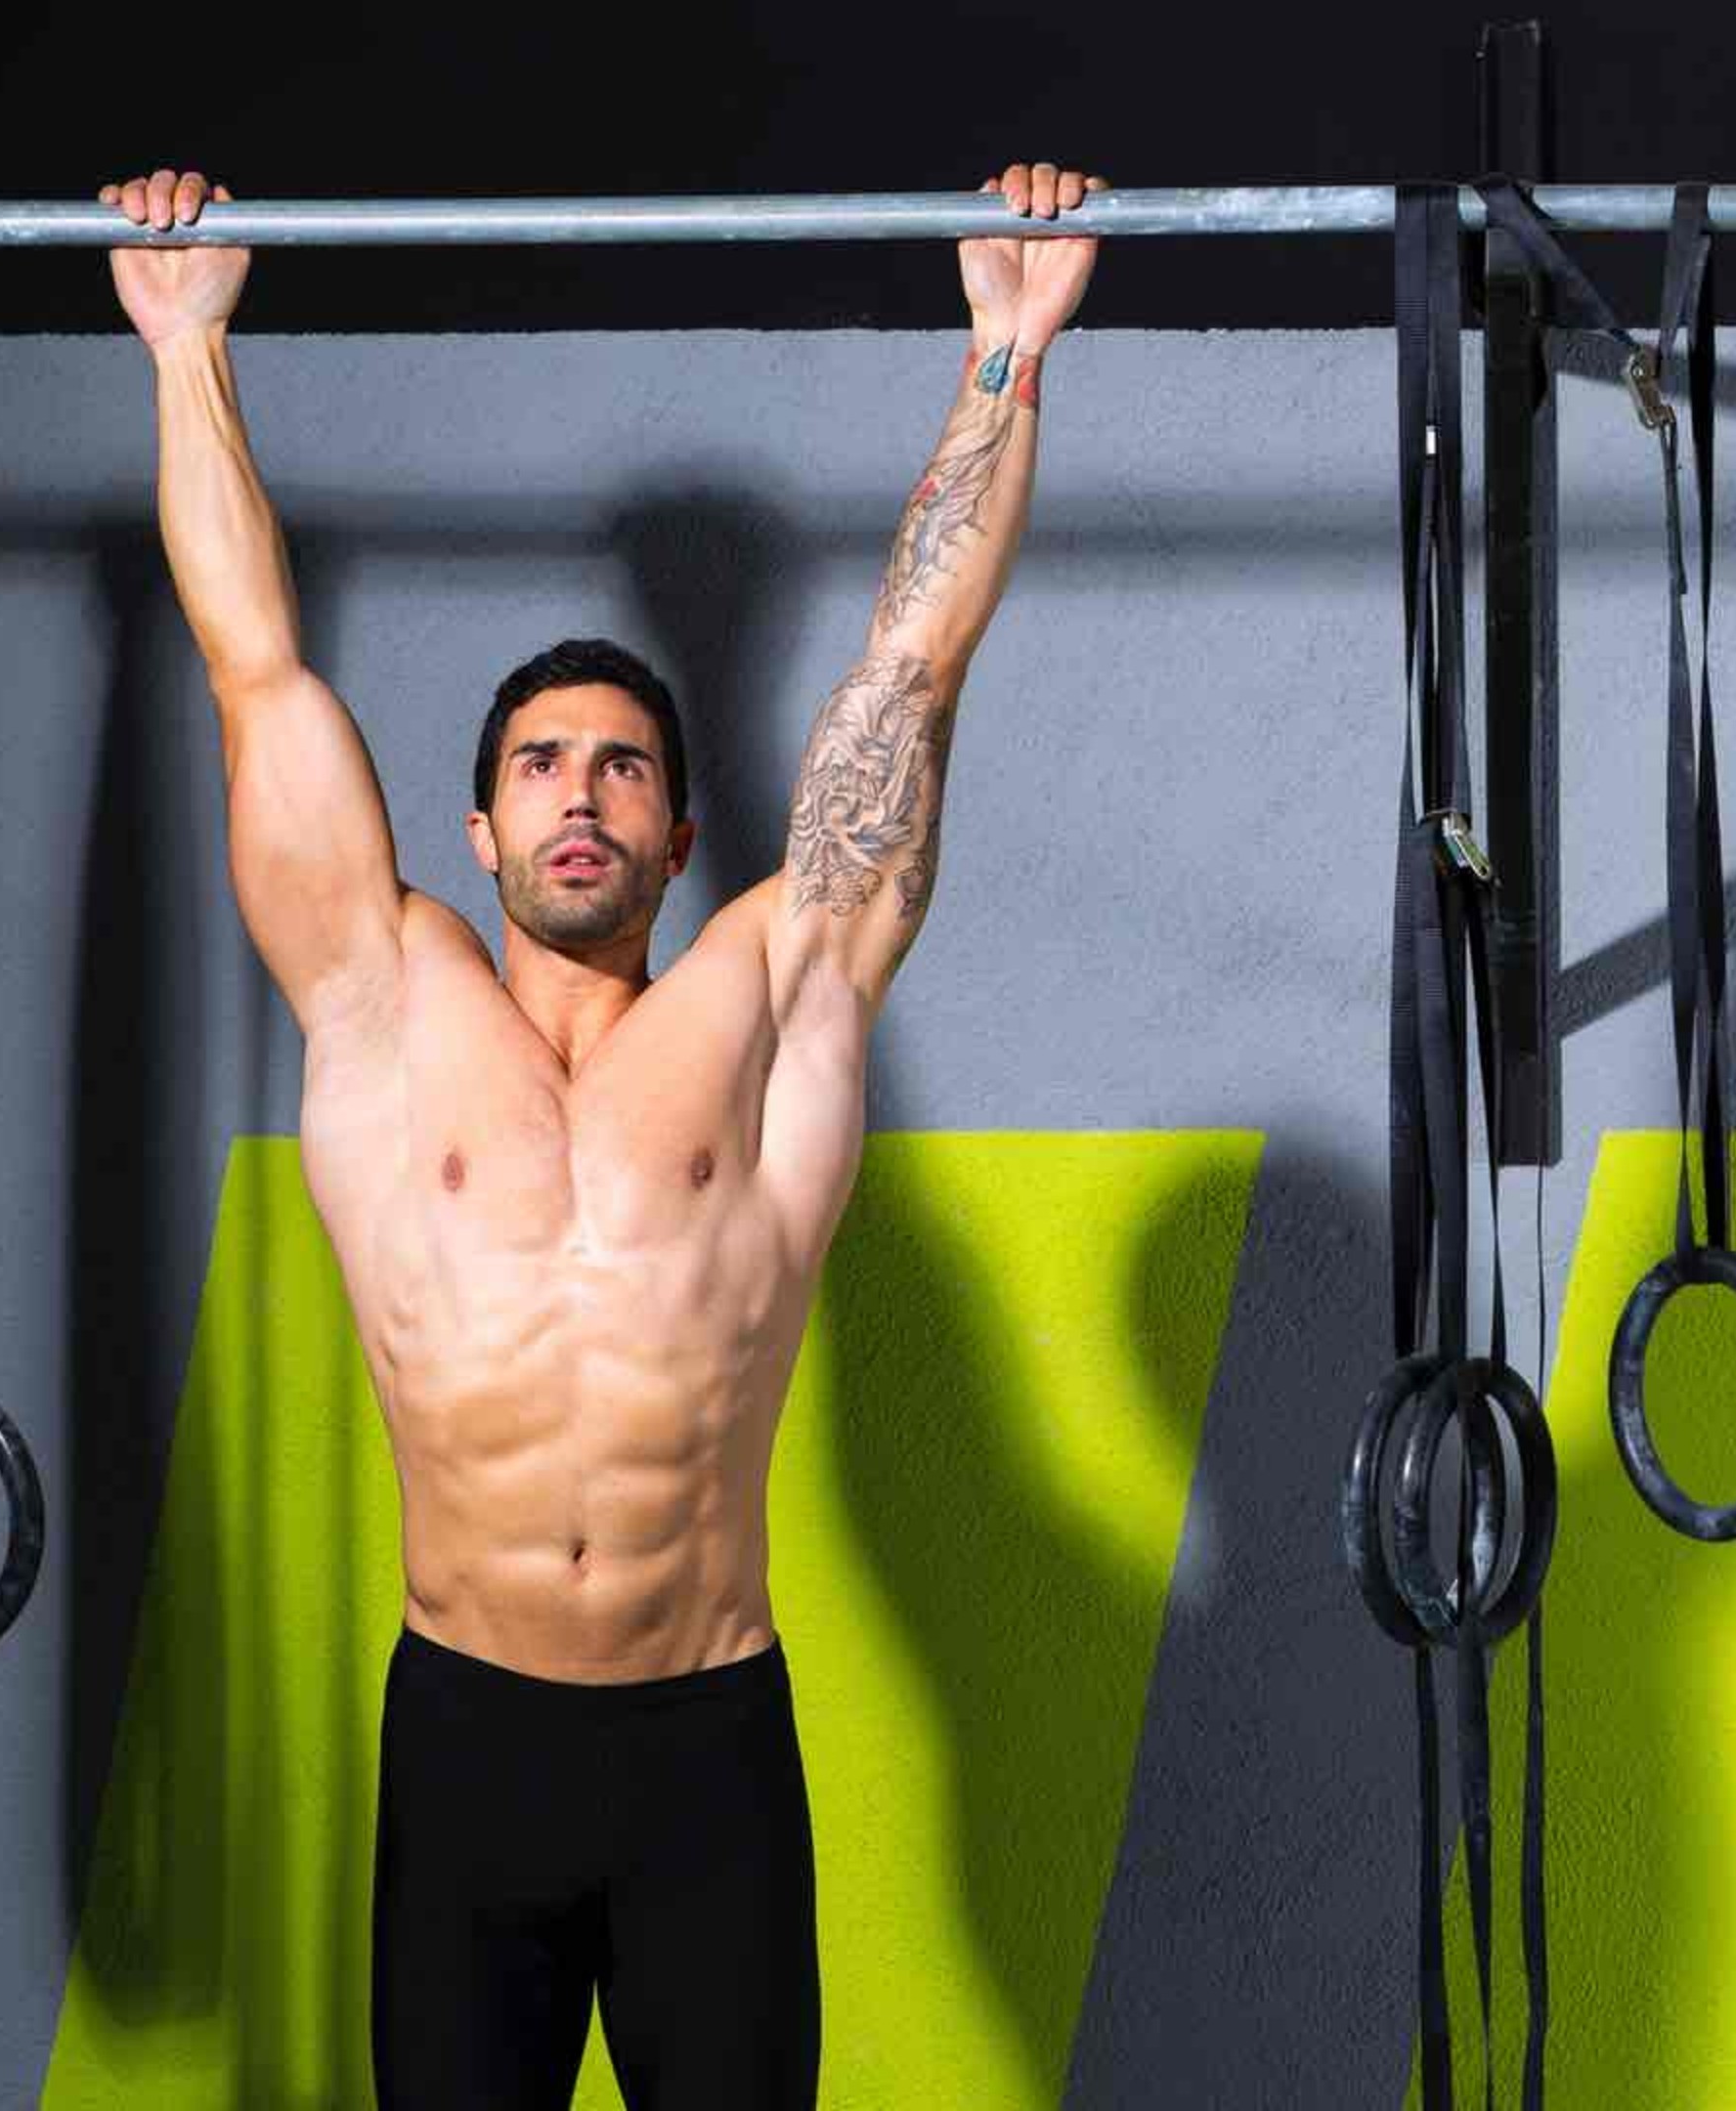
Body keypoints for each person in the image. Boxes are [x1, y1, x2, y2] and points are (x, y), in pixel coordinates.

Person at [103, 155, 1106, 2109]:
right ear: (475, 828)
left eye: (623, 766)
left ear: (678, 828)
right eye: (540, 766)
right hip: (467, 1741)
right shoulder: (381, 999)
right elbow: (256, 670)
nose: (580, 796)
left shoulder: (765, 1003)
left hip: (703, 1747)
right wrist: (184, 349)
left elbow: (910, 671)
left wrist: (1006, 357)